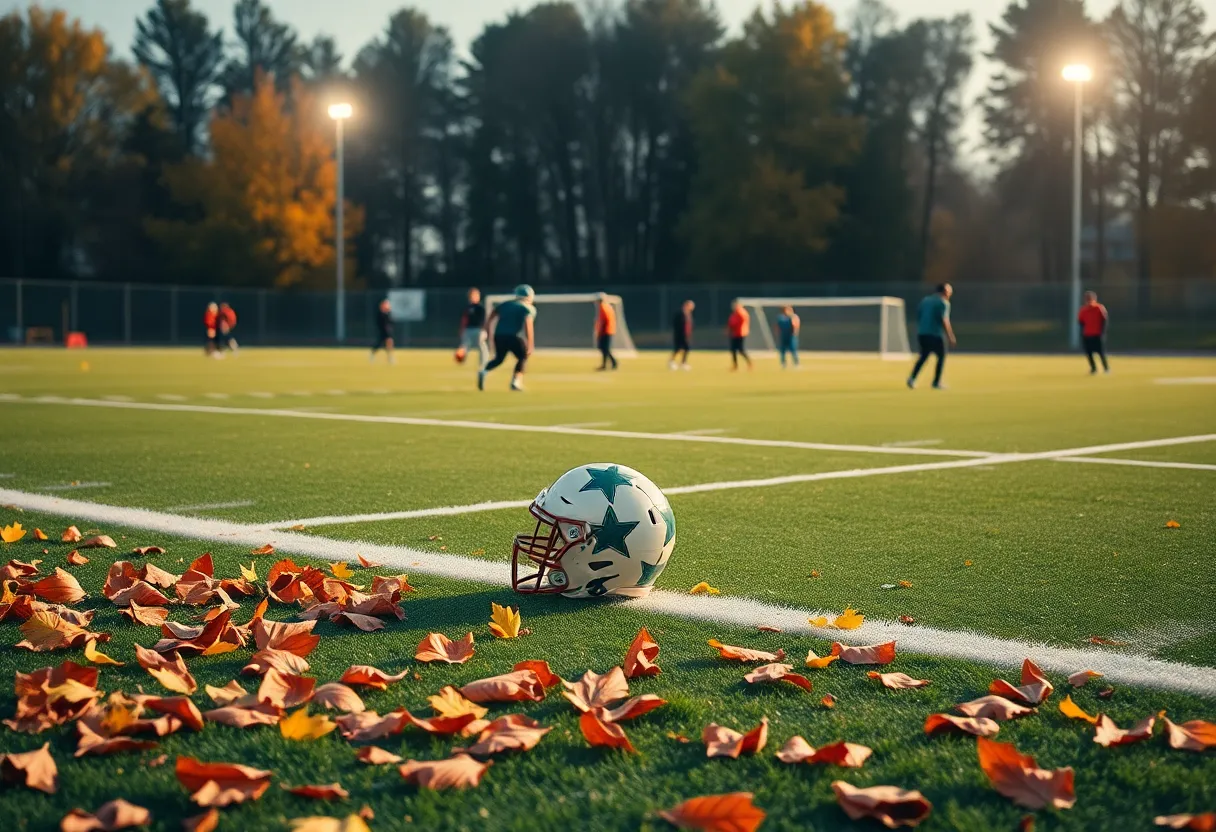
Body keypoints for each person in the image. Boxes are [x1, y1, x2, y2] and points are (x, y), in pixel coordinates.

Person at [479, 284, 536, 392]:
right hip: (514, 336)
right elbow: (528, 325)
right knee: (523, 356)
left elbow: (492, 316)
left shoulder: (506, 304)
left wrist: (488, 330)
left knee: (499, 359)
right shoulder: (527, 308)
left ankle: (483, 372)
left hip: (499, 335)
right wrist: (530, 343)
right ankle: (516, 381)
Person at [908, 283, 956, 389]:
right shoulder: (943, 303)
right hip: (935, 334)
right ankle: (936, 382)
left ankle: (912, 378)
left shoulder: (925, 301)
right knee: (941, 357)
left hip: (922, 333)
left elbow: (919, 315)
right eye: (949, 292)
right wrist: (950, 336)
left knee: (924, 356)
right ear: (945, 292)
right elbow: (945, 320)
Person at [1078, 290, 1110, 374]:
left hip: (1097, 334)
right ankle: (1093, 368)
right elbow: (1081, 322)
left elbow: (1104, 320)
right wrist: (1082, 333)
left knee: (1101, 352)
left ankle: (1106, 368)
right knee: (1089, 353)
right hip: (1087, 334)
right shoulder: (1083, 310)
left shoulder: (1099, 308)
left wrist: (1102, 332)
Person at [456, 288, 488, 367]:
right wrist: (462, 329)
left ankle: (483, 364)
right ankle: (460, 359)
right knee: (464, 346)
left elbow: (484, 320)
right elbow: (464, 319)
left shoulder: (481, 308)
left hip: (478, 330)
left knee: (482, 347)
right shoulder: (467, 308)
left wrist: (484, 330)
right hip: (468, 330)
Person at [727, 299, 752, 371]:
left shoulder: (741, 313)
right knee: (733, 350)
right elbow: (731, 322)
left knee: (741, 350)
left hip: (740, 333)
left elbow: (739, 322)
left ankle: (749, 362)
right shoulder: (735, 313)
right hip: (735, 333)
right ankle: (735, 365)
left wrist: (733, 326)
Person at [595, 294, 618, 371]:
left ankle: (611, 363)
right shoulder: (607, 307)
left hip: (605, 331)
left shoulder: (603, 307)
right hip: (608, 330)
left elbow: (603, 321)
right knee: (604, 348)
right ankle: (608, 364)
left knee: (604, 348)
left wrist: (599, 332)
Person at [669, 300, 694, 370]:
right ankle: (672, 361)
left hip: (686, 335)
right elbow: (676, 324)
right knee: (678, 349)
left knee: (686, 348)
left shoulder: (689, 315)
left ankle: (683, 362)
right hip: (679, 335)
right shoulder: (679, 314)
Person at [371, 298, 395, 364]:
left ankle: (390, 357)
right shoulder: (380, 314)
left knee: (390, 342)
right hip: (382, 331)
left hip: (388, 331)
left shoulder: (388, 314)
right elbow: (379, 323)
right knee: (380, 343)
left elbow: (391, 322)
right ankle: (373, 353)